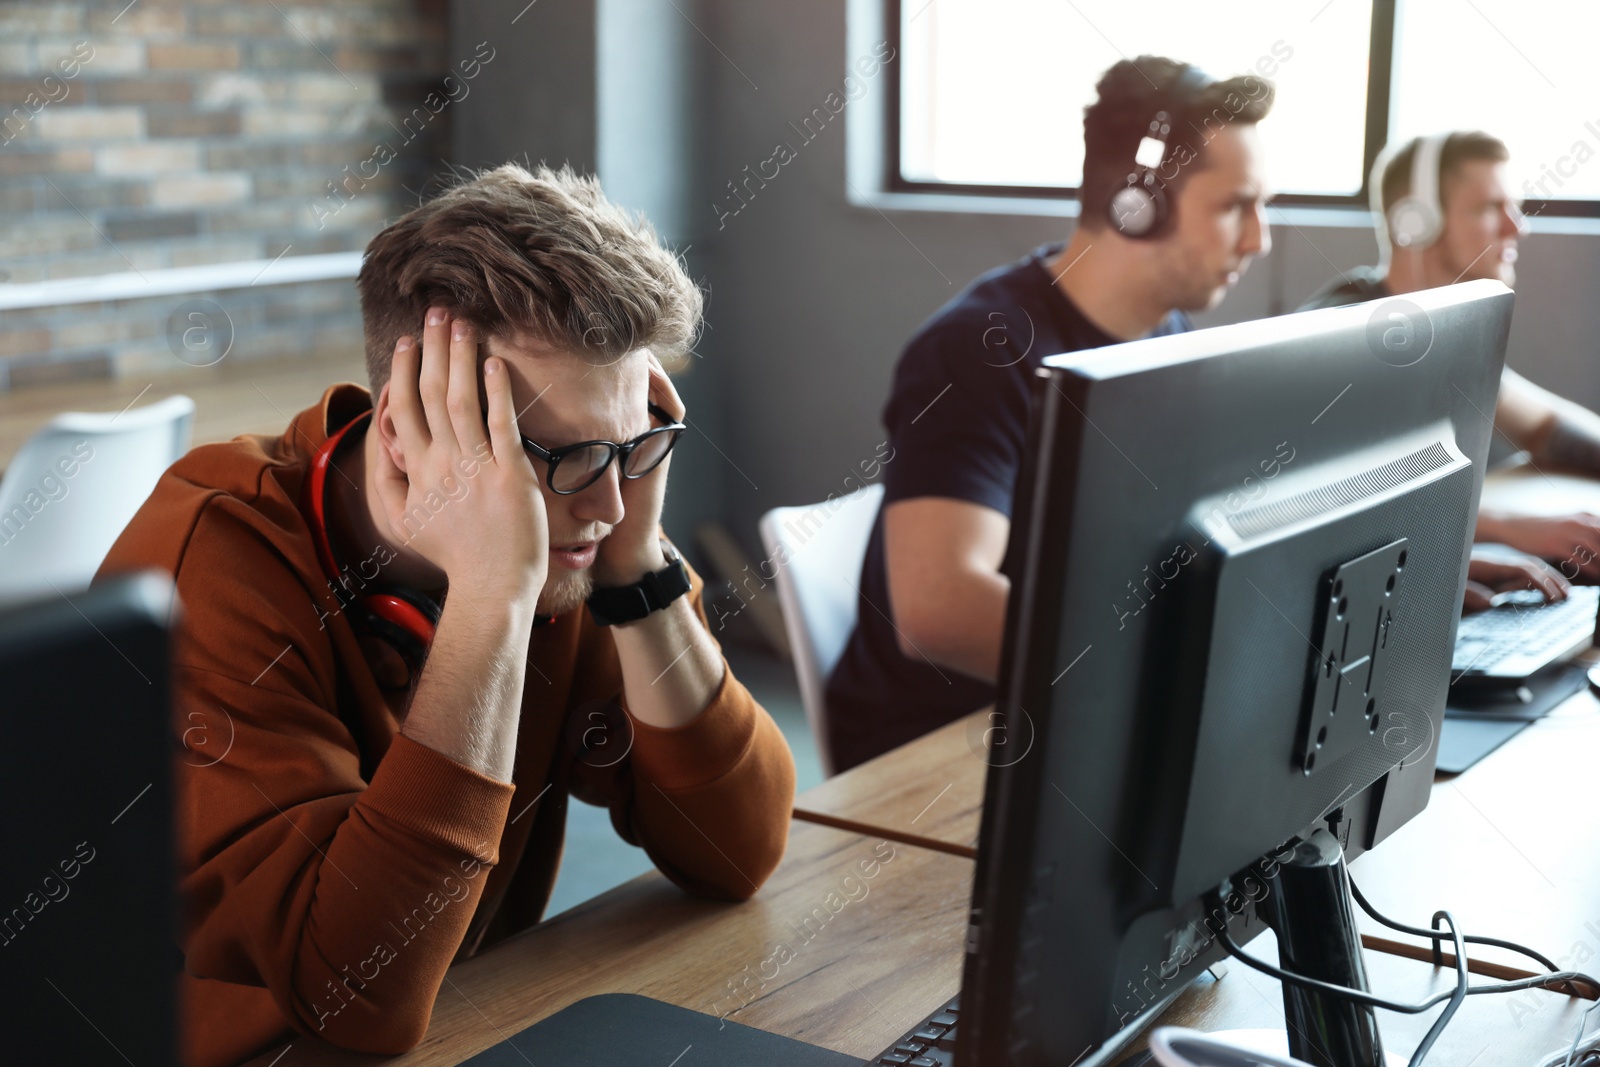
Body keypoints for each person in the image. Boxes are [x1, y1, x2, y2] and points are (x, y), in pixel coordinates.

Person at [96, 165, 795, 1067]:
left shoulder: (585, 533)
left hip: (471, 1027)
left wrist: (636, 572)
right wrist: (490, 598)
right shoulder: (211, 565)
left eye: (634, 445)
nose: (614, 502)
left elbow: (737, 849)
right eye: (571, 455)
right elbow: (356, 998)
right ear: (405, 427)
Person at [824, 56, 1276, 773]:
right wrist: (1168, 670)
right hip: (950, 745)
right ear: (1138, 203)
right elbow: (939, 608)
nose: (1259, 239)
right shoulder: (981, 350)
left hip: (1075, 713)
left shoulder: (1169, 336)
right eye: (1234, 206)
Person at [1301, 131, 1600, 596]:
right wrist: (1506, 525)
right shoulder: (1343, 334)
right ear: (1415, 222)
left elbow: (1547, 426)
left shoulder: (1444, 333)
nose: (1516, 227)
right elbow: (1331, 500)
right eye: (1488, 208)